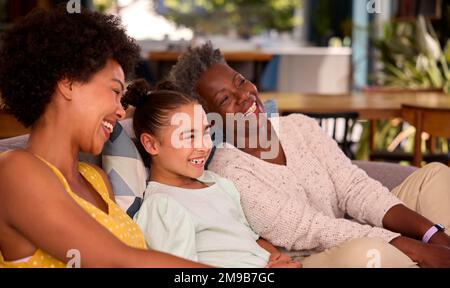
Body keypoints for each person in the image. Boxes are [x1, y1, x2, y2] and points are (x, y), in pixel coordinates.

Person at [166, 42, 450, 268]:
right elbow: (315, 230)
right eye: (225, 99)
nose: (244, 96)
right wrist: (417, 248)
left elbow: (355, 189)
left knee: (435, 176)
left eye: (240, 82)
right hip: (312, 258)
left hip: (355, 229)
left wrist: (433, 236)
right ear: (209, 118)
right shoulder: (231, 173)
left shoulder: (299, 125)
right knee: (366, 255)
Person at [0, 7, 207, 268]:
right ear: (68, 83)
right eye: (114, 91)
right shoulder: (14, 171)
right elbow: (119, 262)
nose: (121, 111)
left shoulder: (96, 180)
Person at [124, 79, 301, 268]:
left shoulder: (216, 183)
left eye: (205, 132)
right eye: (190, 136)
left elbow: (250, 239)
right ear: (151, 144)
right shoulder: (163, 206)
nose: (205, 145)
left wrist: (278, 258)